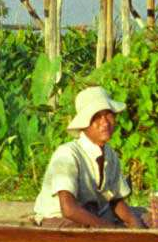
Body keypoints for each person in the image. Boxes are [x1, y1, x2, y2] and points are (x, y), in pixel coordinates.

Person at [33, 87, 146, 229]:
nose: (105, 123)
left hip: (90, 213)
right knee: (84, 228)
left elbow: (116, 200)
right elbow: (68, 210)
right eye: (97, 117)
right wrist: (109, 228)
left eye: (108, 115)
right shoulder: (68, 154)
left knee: (144, 217)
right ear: (84, 123)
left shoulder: (110, 155)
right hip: (58, 218)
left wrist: (135, 224)